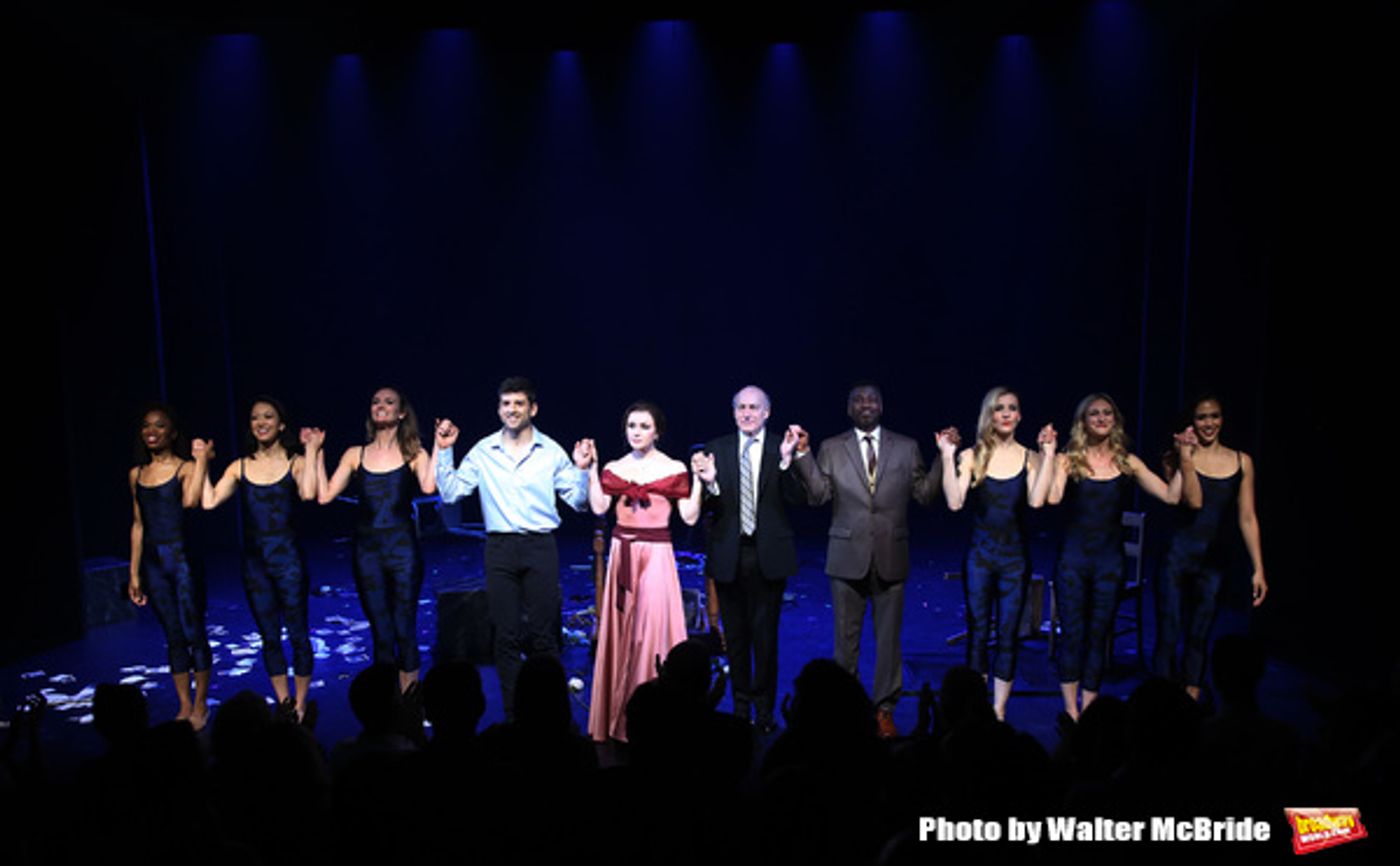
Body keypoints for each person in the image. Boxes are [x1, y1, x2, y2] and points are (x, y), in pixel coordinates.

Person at [433, 377, 592, 717]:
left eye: (519, 404)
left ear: (532, 408)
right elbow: (450, 493)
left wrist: (582, 471)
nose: (512, 410)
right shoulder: (483, 450)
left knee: (544, 637)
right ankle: (514, 715)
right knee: (504, 636)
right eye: (506, 404)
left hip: (540, 545)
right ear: (498, 408)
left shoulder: (550, 451)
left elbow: (578, 502)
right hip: (500, 547)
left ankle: (548, 715)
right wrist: (445, 451)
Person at [790, 382, 942, 737]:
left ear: (882, 406)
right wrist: (803, 454)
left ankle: (884, 710)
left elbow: (924, 494)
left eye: (872, 399)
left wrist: (943, 458)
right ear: (849, 409)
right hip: (846, 555)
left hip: (891, 553)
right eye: (858, 400)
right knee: (846, 640)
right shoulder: (831, 447)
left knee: (889, 640)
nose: (866, 404)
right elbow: (818, 496)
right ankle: (846, 708)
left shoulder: (905, 447)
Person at [1045, 393, 1199, 720]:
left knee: (1100, 635)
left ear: (1115, 419)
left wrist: (1185, 458)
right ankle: (1071, 711)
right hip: (1073, 561)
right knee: (1073, 634)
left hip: (1108, 564)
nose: (1101, 419)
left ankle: (1089, 709)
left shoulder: (1127, 461)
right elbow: (1054, 498)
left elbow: (1171, 497)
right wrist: (1050, 457)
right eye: (1094, 414)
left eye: (1107, 413)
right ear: (1083, 422)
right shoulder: (1068, 459)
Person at [935, 387, 1055, 721]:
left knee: (1007, 633)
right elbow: (955, 502)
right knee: (977, 630)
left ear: (1019, 415)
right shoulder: (973, 456)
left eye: (1011, 408)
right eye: (998, 408)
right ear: (989, 415)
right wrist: (947, 455)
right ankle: (975, 709)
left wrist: (1048, 454)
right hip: (980, 558)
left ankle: (998, 710)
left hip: (1014, 560)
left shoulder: (1030, 457)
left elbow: (1036, 501)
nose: (1005, 413)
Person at [305, 387, 435, 690]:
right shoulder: (355, 454)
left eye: (389, 402)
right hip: (367, 553)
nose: (381, 406)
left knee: (404, 628)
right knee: (381, 631)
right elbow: (324, 496)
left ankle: (410, 706)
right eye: (375, 401)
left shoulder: (414, 452)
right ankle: (387, 707)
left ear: (401, 412)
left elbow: (429, 488)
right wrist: (315, 451)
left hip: (403, 552)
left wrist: (440, 448)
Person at [585, 401, 701, 742]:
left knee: (649, 630)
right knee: (621, 631)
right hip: (622, 553)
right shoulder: (615, 467)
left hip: (656, 553)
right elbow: (599, 507)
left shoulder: (673, 466)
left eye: (644, 426)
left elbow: (691, 517)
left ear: (657, 431)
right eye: (631, 426)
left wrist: (700, 481)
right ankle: (616, 717)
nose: (636, 432)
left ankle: (652, 718)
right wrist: (591, 470)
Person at [691, 385, 805, 733]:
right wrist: (710, 485)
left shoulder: (778, 447)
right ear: (733, 412)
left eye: (754, 407)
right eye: (741, 407)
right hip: (729, 554)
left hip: (767, 555)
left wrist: (788, 461)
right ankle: (740, 708)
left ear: (767, 413)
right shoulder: (717, 449)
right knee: (736, 639)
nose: (747, 413)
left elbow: (798, 499)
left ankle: (764, 711)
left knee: (765, 638)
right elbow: (707, 511)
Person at [199, 396, 318, 717]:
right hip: (255, 566)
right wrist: (201, 462)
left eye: (268, 417)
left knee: (298, 634)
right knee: (269, 637)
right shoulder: (240, 466)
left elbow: (309, 493)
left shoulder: (295, 461)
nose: (261, 423)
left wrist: (312, 450)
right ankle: (284, 703)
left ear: (281, 424)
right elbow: (208, 501)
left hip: (289, 562)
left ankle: (302, 703)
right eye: (255, 418)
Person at [1153, 394, 1266, 700]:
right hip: (1176, 556)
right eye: (1202, 417)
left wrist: (1258, 569)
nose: (1209, 423)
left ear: (1222, 419)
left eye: (1214, 416)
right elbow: (1193, 501)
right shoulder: (1175, 457)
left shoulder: (1242, 461)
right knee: (1169, 631)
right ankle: (1161, 700)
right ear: (1192, 421)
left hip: (1213, 559)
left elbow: (1247, 516)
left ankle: (1191, 700)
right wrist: (1186, 458)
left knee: (1200, 633)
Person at [128, 402, 213, 729]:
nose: (152, 431)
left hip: (183, 561)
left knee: (194, 631)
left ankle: (201, 703)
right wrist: (134, 573)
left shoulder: (185, 468)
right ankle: (184, 704)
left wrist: (202, 460)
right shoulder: (136, 474)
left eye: (160, 425)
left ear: (172, 433)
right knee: (173, 635)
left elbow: (191, 501)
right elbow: (137, 525)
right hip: (153, 564)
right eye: (147, 425)